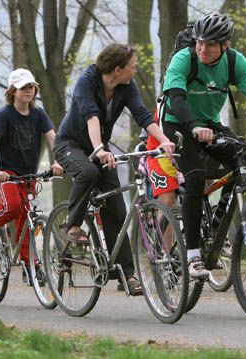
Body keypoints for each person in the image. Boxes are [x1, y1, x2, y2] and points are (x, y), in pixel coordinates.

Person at [161, 12, 246, 279]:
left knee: (245, 161)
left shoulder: (234, 62)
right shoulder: (183, 59)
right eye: (200, 42)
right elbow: (175, 100)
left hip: (209, 124)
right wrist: (193, 127)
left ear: (224, 45)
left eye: (210, 44)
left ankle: (215, 226)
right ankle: (193, 256)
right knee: (196, 175)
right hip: (178, 124)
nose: (202, 48)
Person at [53, 43, 175, 296]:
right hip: (70, 144)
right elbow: (91, 116)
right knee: (88, 172)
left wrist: (163, 140)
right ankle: (73, 226)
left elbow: (142, 113)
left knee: (117, 211)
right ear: (117, 69)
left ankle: (126, 274)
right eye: (132, 66)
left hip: (101, 147)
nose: (135, 70)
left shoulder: (126, 85)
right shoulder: (87, 82)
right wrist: (98, 149)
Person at [0, 68, 63, 284]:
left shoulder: (39, 114)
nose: (28, 91)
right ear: (13, 91)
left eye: (31, 87)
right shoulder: (4, 115)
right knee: (13, 206)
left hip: (29, 175)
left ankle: (30, 265)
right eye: (23, 87)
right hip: (8, 174)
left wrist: (58, 161)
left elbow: (54, 138)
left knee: (26, 219)